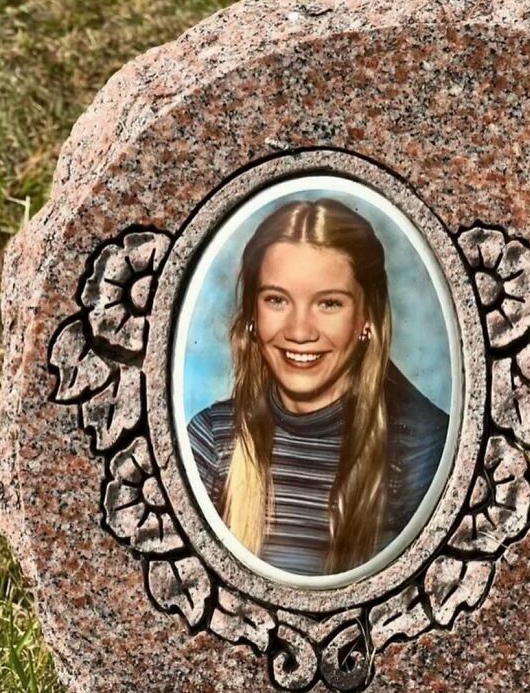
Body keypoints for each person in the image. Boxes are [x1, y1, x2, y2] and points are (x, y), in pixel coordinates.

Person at [187, 198, 449, 576]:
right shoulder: (211, 439)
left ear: (367, 319)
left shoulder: (421, 451)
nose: (299, 332)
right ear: (252, 316)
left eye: (328, 304)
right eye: (276, 300)